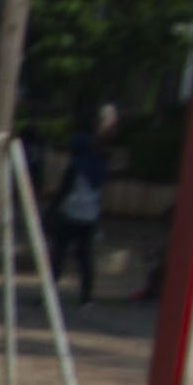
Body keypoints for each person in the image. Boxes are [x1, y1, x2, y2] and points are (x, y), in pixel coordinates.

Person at [53, 110, 115, 301]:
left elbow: (64, 192)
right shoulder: (99, 166)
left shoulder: (75, 167)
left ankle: (50, 292)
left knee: (59, 255)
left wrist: (52, 211)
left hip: (70, 215)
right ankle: (86, 296)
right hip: (90, 217)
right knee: (85, 257)